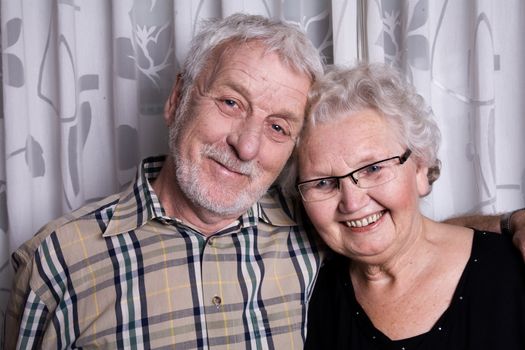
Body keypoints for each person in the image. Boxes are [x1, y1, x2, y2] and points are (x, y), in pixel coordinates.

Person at [3, 13, 524, 350]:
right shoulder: (57, 265)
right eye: (231, 103)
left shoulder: (309, 230)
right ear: (177, 98)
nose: (246, 146)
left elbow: (398, 236)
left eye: (278, 127)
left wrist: (507, 226)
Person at [293, 63, 525, 349]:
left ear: (420, 168)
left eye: (373, 168)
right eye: (324, 183)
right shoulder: (311, 294)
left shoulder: (513, 272)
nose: (352, 203)